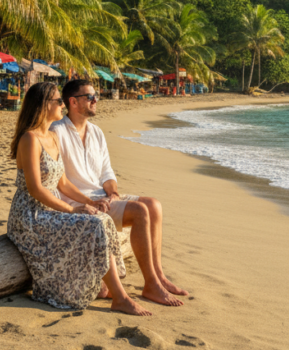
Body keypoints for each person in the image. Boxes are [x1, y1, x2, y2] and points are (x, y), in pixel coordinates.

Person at [7, 82, 150, 315]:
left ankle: (113, 289)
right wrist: (72, 210)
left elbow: (62, 183)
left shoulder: (52, 137)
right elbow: (35, 189)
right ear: (44, 105)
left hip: (51, 209)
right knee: (94, 225)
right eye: (57, 101)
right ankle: (120, 297)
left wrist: (90, 202)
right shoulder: (30, 139)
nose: (62, 104)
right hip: (32, 214)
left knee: (100, 218)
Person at [53, 79, 188, 307]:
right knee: (139, 211)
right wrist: (89, 201)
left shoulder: (96, 132)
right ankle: (151, 285)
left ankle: (159, 276)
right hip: (80, 203)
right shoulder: (57, 132)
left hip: (103, 197)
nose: (96, 100)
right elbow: (58, 180)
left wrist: (113, 194)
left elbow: (107, 172)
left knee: (153, 204)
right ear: (73, 102)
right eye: (90, 97)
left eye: (96, 96)